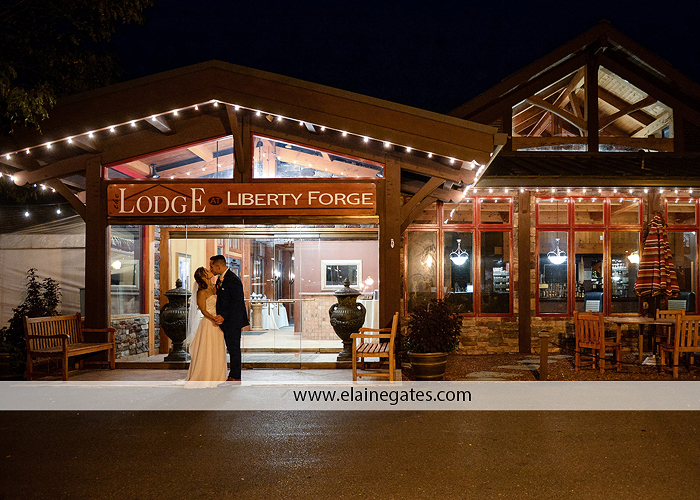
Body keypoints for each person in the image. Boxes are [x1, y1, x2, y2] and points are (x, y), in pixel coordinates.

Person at [184, 267, 227, 387]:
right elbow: (203, 310)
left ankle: (217, 376)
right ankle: (205, 375)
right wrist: (214, 318)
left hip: (218, 323)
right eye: (207, 271)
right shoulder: (201, 292)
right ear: (203, 277)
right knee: (207, 350)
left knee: (217, 349)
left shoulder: (215, 287)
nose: (209, 271)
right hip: (208, 323)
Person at [210, 255, 250, 381]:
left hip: (233, 320)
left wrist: (224, 316)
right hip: (225, 320)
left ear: (219, 266)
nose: (210, 269)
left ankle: (235, 375)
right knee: (230, 347)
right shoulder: (220, 279)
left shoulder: (233, 280)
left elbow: (236, 302)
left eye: (212, 266)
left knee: (233, 348)